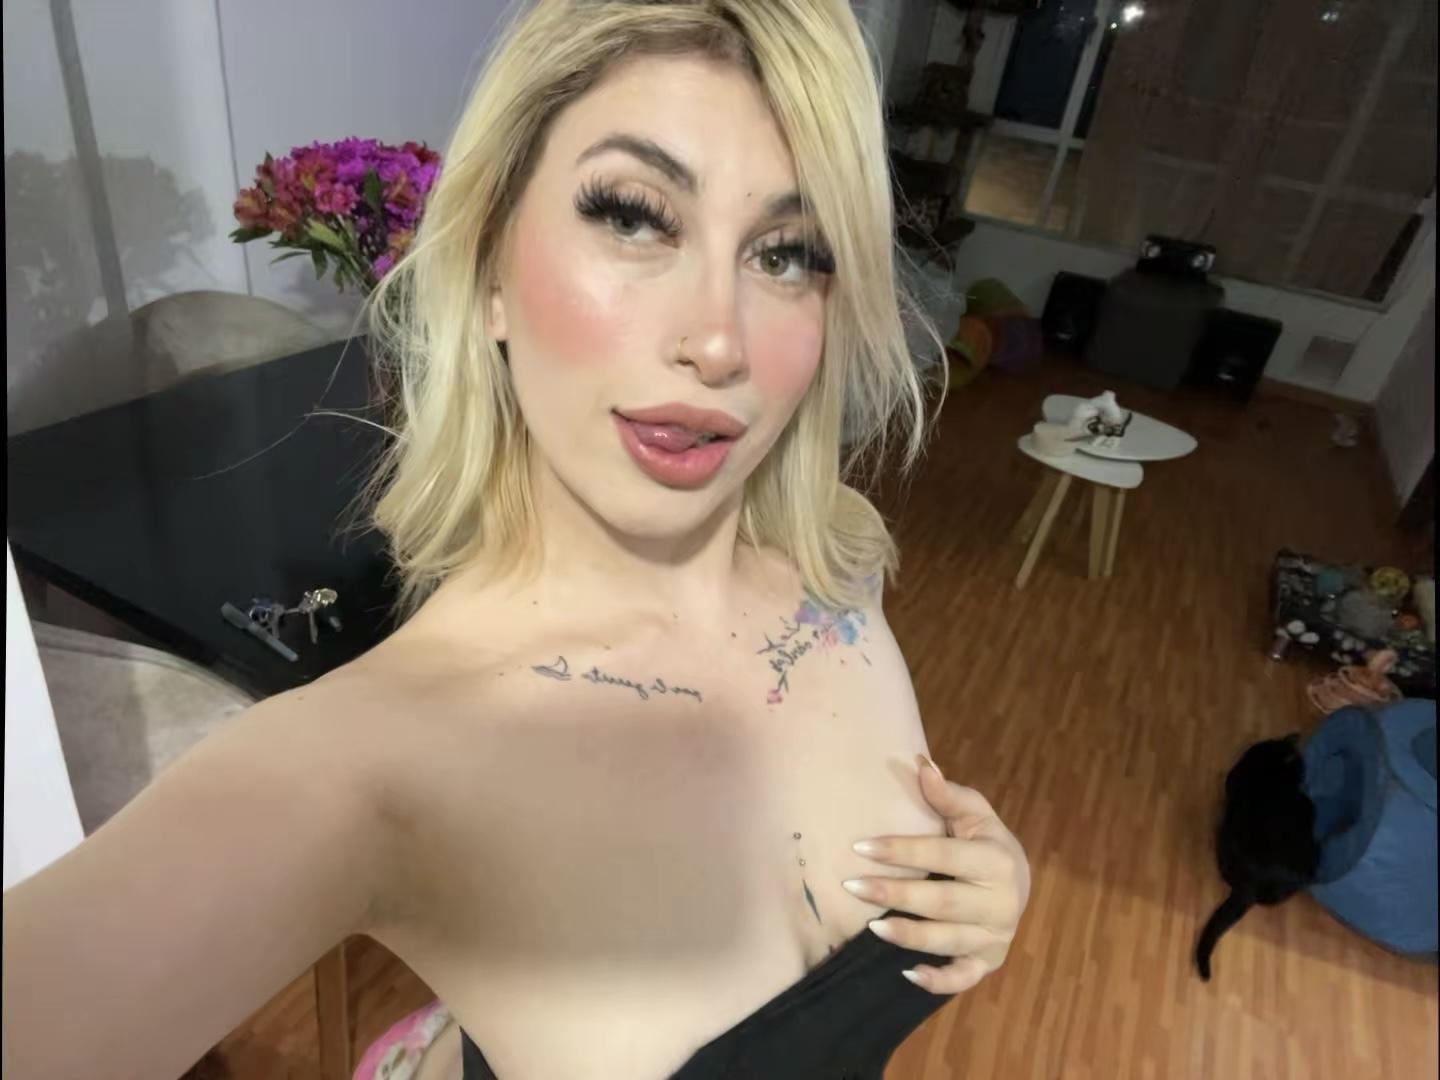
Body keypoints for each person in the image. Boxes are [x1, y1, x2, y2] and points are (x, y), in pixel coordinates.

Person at [1, 1, 1031, 1077]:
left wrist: (987, 886)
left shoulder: (839, 573)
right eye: (635, 217)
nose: (719, 339)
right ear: (490, 267)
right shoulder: (374, 764)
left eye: (788, 253)